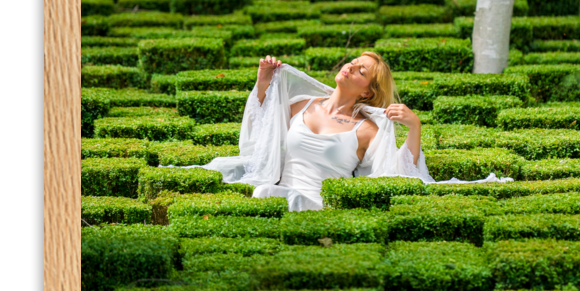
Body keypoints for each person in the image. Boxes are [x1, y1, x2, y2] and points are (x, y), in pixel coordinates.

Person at [160, 49, 515, 212]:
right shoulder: (301, 106)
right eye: (354, 62)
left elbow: (397, 174)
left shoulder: (367, 131)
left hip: (317, 204)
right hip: (273, 189)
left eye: (361, 70)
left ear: (367, 91)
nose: (350, 67)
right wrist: (263, 83)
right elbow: (258, 134)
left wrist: (414, 126)